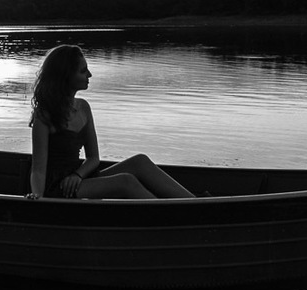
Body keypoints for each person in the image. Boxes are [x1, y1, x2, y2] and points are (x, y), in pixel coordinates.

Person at [26, 44, 195, 200]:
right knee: (125, 182)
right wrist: (38, 197)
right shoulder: (44, 115)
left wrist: (78, 175)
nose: (89, 75)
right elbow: (38, 169)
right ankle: (172, 214)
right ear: (66, 76)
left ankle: (196, 204)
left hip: (79, 177)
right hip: (60, 187)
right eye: (83, 71)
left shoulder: (83, 107)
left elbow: (93, 158)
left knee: (140, 162)